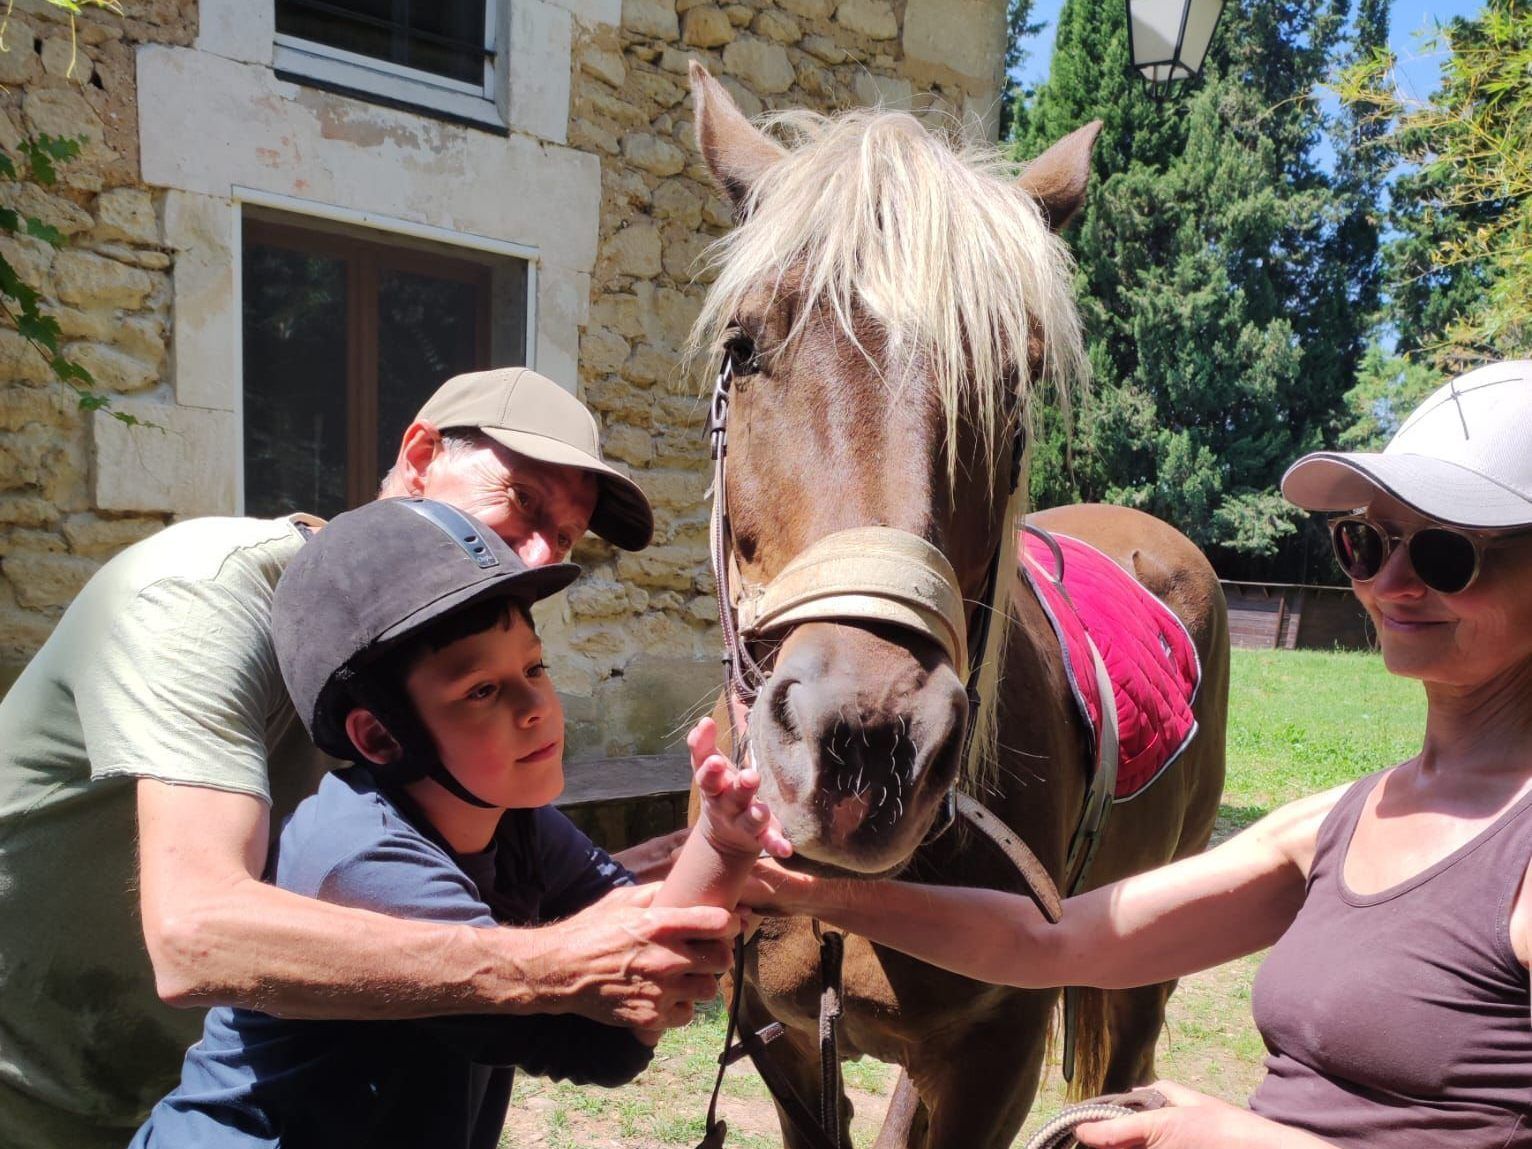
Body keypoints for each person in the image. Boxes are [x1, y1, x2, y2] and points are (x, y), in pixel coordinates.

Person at [747, 360, 1532, 1149]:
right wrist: (794, 888)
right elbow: (1051, 942)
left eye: (1444, 553)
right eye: (1366, 543)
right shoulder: (1344, 819)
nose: (1391, 583)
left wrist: (1243, 1139)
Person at [0, 367, 732, 1149]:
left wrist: (693, 868)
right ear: (419, 456)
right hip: (34, 1091)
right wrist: (547, 964)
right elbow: (194, 934)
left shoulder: (430, 691)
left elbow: (423, 900)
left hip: (209, 1084)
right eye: (522, 502)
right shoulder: (198, 596)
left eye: (564, 537)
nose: (533, 557)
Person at [130, 497, 788, 1148]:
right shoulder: (362, 858)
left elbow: (634, 940)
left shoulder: (514, 820)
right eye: (482, 690)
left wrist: (722, 841)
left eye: (534, 667)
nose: (535, 705)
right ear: (380, 736)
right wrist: (709, 870)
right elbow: (602, 1043)